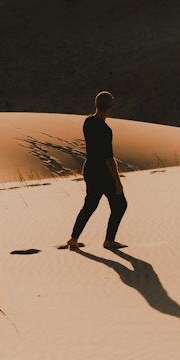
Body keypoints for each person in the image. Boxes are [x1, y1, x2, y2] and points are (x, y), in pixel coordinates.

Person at [60, 91, 128, 250]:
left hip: (90, 170)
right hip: (103, 172)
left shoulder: (88, 122)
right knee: (120, 205)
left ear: (96, 104)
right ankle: (109, 240)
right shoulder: (105, 130)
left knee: (90, 205)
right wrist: (118, 182)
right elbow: (108, 158)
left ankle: (73, 238)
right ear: (110, 107)